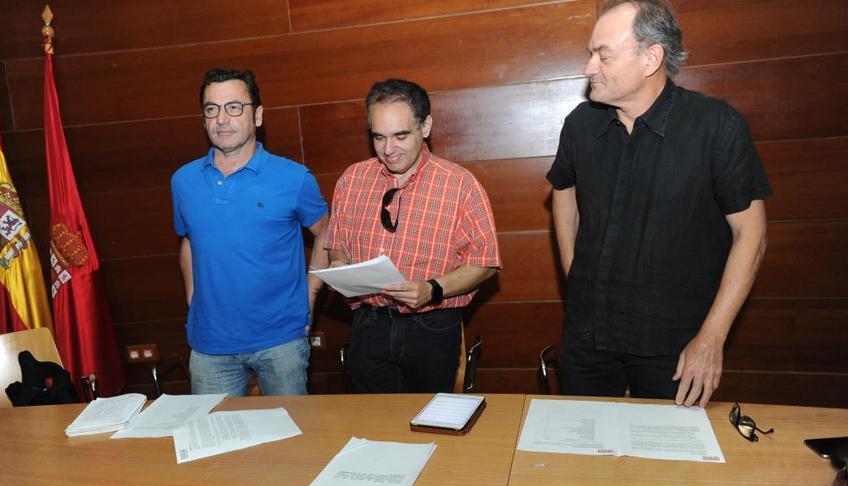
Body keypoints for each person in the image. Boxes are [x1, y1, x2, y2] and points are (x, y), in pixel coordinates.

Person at [548, 0, 772, 408]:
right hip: (588, 336)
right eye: (590, 54)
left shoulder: (716, 126)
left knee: (670, 465)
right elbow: (562, 192)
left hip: (675, 344)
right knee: (580, 461)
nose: (589, 68)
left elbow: (751, 234)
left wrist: (712, 337)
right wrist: (573, 271)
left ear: (651, 58)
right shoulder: (580, 125)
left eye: (603, 55)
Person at [326, 79, 500, 394]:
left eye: (400, 136)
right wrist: (339, 266)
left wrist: (432, 289)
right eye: (378, 137)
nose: (388, 149)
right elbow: (337, 249)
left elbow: (485, 264)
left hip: (431, 329)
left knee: (429, 424)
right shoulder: (351, 180)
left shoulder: (459, 185)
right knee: (371, 425)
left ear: (426, 126)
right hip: (368, 326)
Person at [171, 68, 329, 396]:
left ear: (257, 115)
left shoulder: (294, 178)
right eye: (211, 109)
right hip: (211, 344)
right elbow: (188, 240)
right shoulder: (183, 181)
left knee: (291, 441)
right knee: (215, 441)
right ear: (203, 119)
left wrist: (310, 296)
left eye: (234, 107)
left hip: (281, 341)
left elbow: (327, 234)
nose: (222, 118)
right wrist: (192, 296)